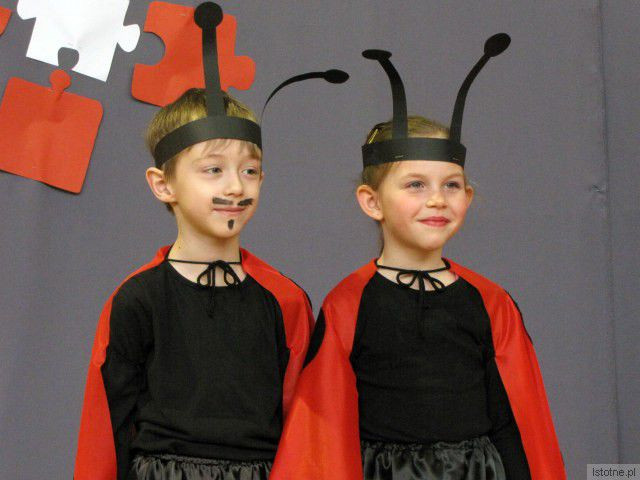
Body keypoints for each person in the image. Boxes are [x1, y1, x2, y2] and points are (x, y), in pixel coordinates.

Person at [270, 39, 566, 480]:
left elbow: (515, 423)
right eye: (415, 185)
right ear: (372, 202)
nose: (437, 200)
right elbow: (322, 429)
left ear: (468, 197)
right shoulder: (349, 304)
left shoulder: (490, 302)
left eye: (451, 185)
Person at [73, 3, 347, 478]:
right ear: (163, 185)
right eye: (213, 170)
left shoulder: (285, 301)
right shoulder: (137, 299)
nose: (235, 187)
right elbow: (105, 426)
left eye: (250, 171)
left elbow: (305, 428)